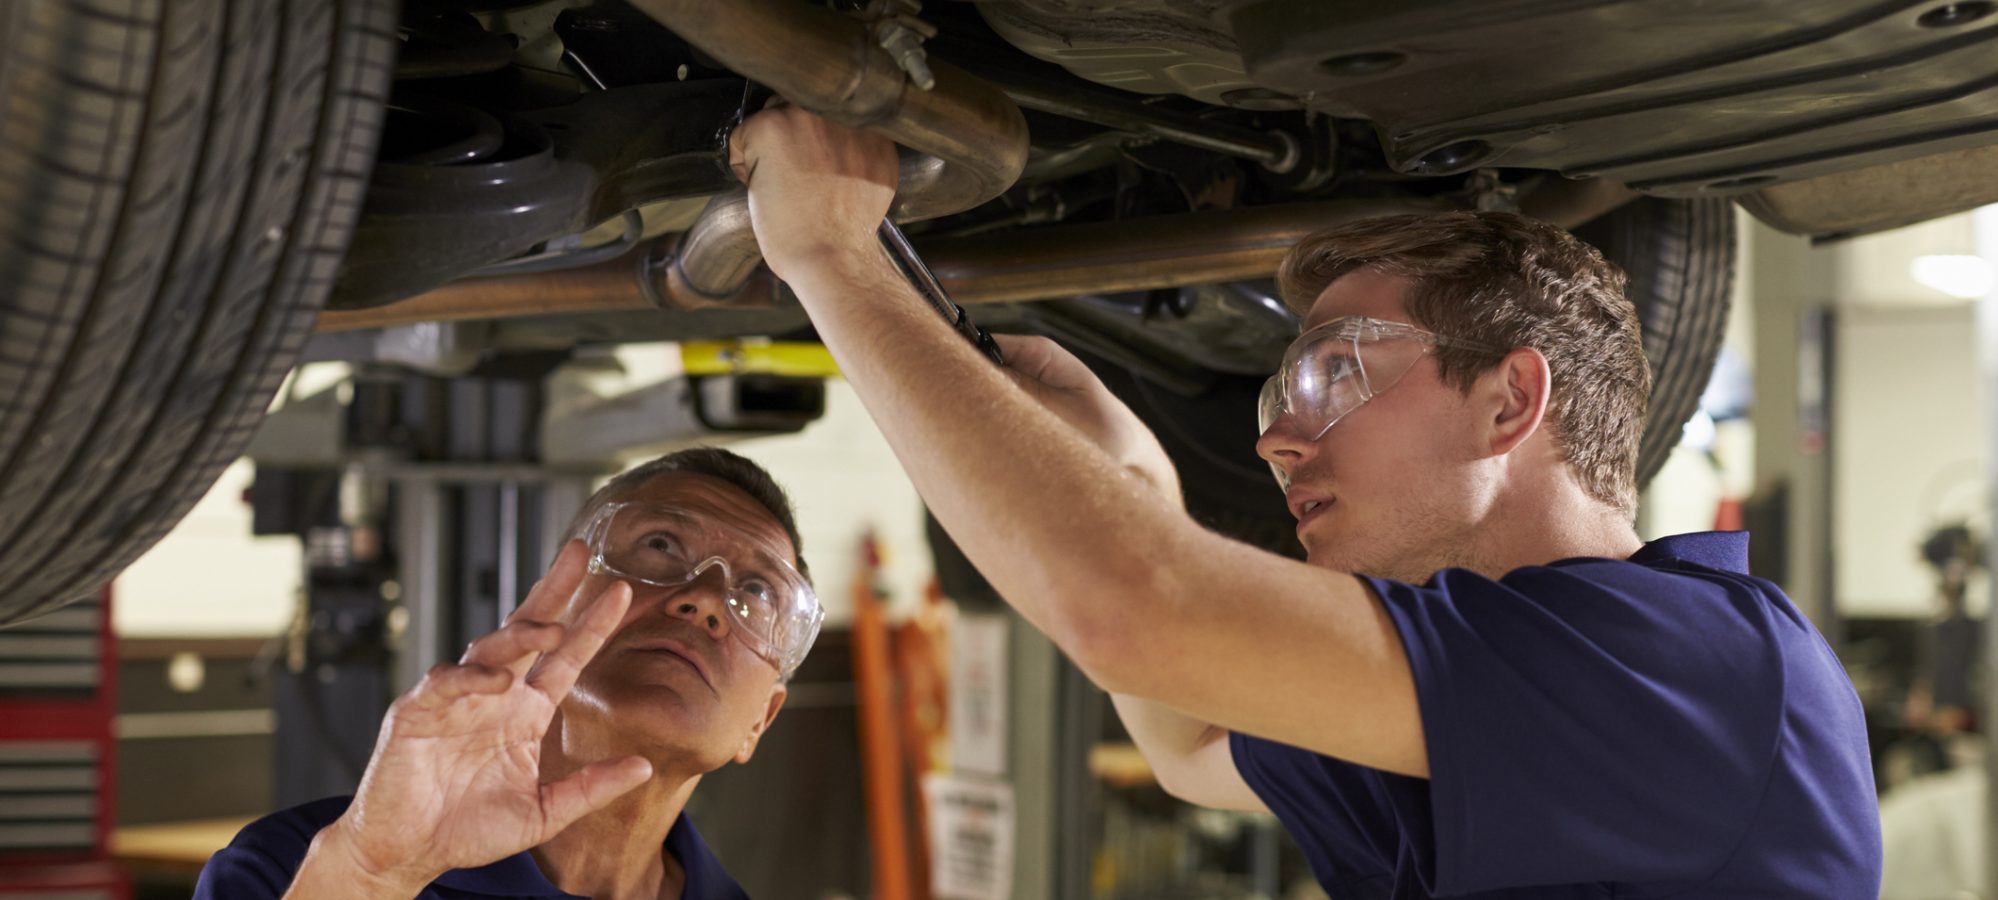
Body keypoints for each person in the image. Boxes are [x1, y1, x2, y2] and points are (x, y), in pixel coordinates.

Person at [728, 106, 1883, 897]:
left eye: (1334, 373)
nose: (1274, 438)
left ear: (1508, 402)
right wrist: (1131, 479)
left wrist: (834, 256)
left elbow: (1138, 614)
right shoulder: (1491, 698)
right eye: (1289, 385)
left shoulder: (1697, 664)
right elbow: (1190, 742)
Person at [195, 448, 822, 900]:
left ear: (759, 723)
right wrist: (373, 874)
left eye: (759, 591)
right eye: (661, 545)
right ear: (547, 605)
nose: (707, 598)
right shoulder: (291, 868)